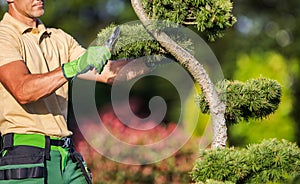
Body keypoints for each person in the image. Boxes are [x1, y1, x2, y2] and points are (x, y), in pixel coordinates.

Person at [0, 0, 143, 183]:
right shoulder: (4, 36)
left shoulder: (59, 38)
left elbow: (110, 73)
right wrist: (74, 67)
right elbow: (23, 90)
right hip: (25, 155)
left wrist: (160, 56)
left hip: (66, 156)